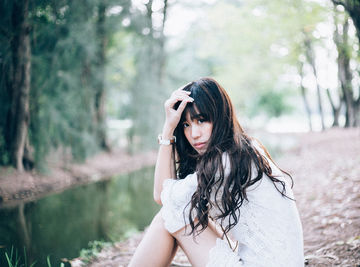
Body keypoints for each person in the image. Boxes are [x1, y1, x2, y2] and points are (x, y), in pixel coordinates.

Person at [128, 78, 304, 267]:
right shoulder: (244, 149)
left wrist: (167, 130)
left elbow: (162, 196)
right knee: (181, 209)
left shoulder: (226, 162)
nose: (194, 134)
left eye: (201, 120)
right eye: (185, 125)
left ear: (219, 117)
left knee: (167, 215)